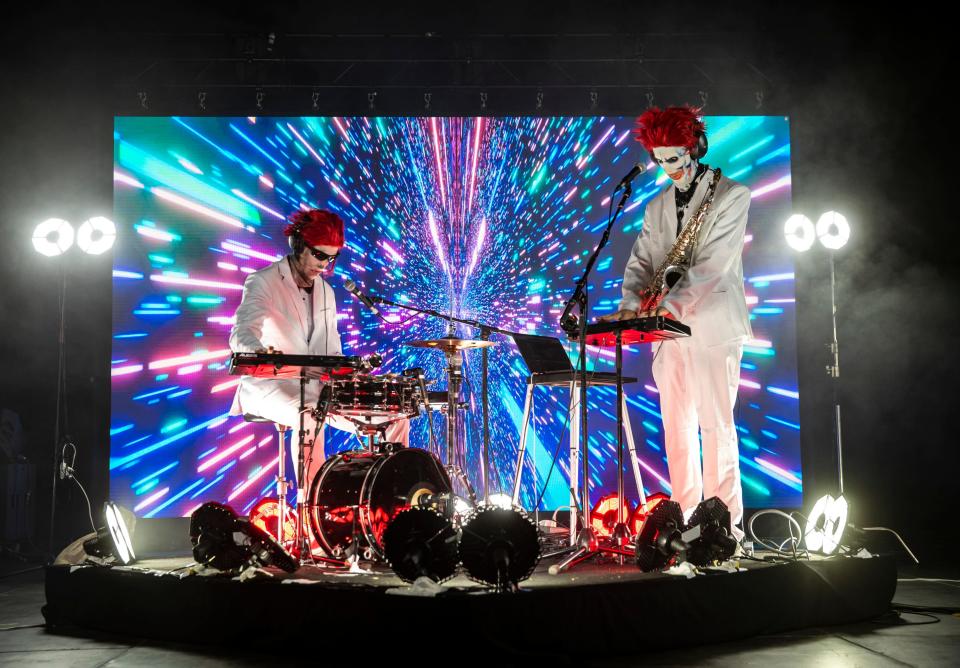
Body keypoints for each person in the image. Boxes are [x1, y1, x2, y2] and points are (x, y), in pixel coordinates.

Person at [600, 106, 752, 540]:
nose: (671, 168)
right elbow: (641, 261)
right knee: (677, 427)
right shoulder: (657, 206)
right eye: (662, 159)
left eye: (677, 157)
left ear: (695, 147)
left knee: (716, 426)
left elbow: (713, 266)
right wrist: (632, 304)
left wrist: (666, 308)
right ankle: (683, 523)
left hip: (712, 325)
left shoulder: (731, 195)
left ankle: (725, 529)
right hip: (664, 332)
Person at [229, 208, 409, 486]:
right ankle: (315, 508)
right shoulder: (262, 281)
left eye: (332, 257)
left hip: (318, 387)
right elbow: (241, 333)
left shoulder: (326, 291)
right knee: (311, 415)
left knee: (393, 413)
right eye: (320, 255)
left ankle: (389, 498)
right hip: (271, 385)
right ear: (298, 245)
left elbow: (332, 353)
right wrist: (259, 352)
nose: (325, 264)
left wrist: (352, 374)